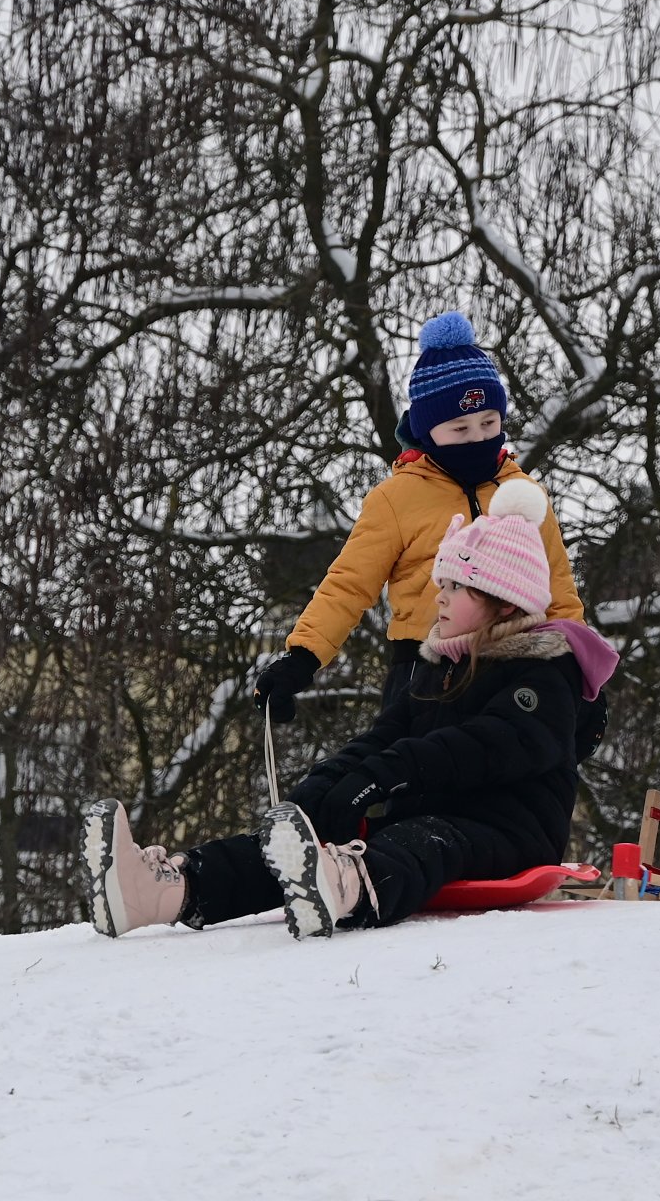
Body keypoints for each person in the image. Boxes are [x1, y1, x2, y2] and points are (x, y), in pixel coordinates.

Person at [83, 480, 618, 939]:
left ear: (503, 601)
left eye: (457, 587)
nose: (440, 597)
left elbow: (495, 743)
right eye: (441, 584)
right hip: (437, 817)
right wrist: (332, 782)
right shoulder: (439, 665)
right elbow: (388, 734)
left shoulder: (545, 669)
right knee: (299, 837)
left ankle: (343, 886)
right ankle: (167, 890)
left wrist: (392, 773)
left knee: (418, 842)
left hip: (508, 833)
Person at [252, 311, 584, 720]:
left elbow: (558, 593)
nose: (478, 437)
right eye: (459, 429)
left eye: (488, 422)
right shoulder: (399, 498)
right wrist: (301, 659)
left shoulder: (523, 495)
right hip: (423, 673)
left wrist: (577, 673)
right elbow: (349, 585)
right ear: (428, 431)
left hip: (515, 671)